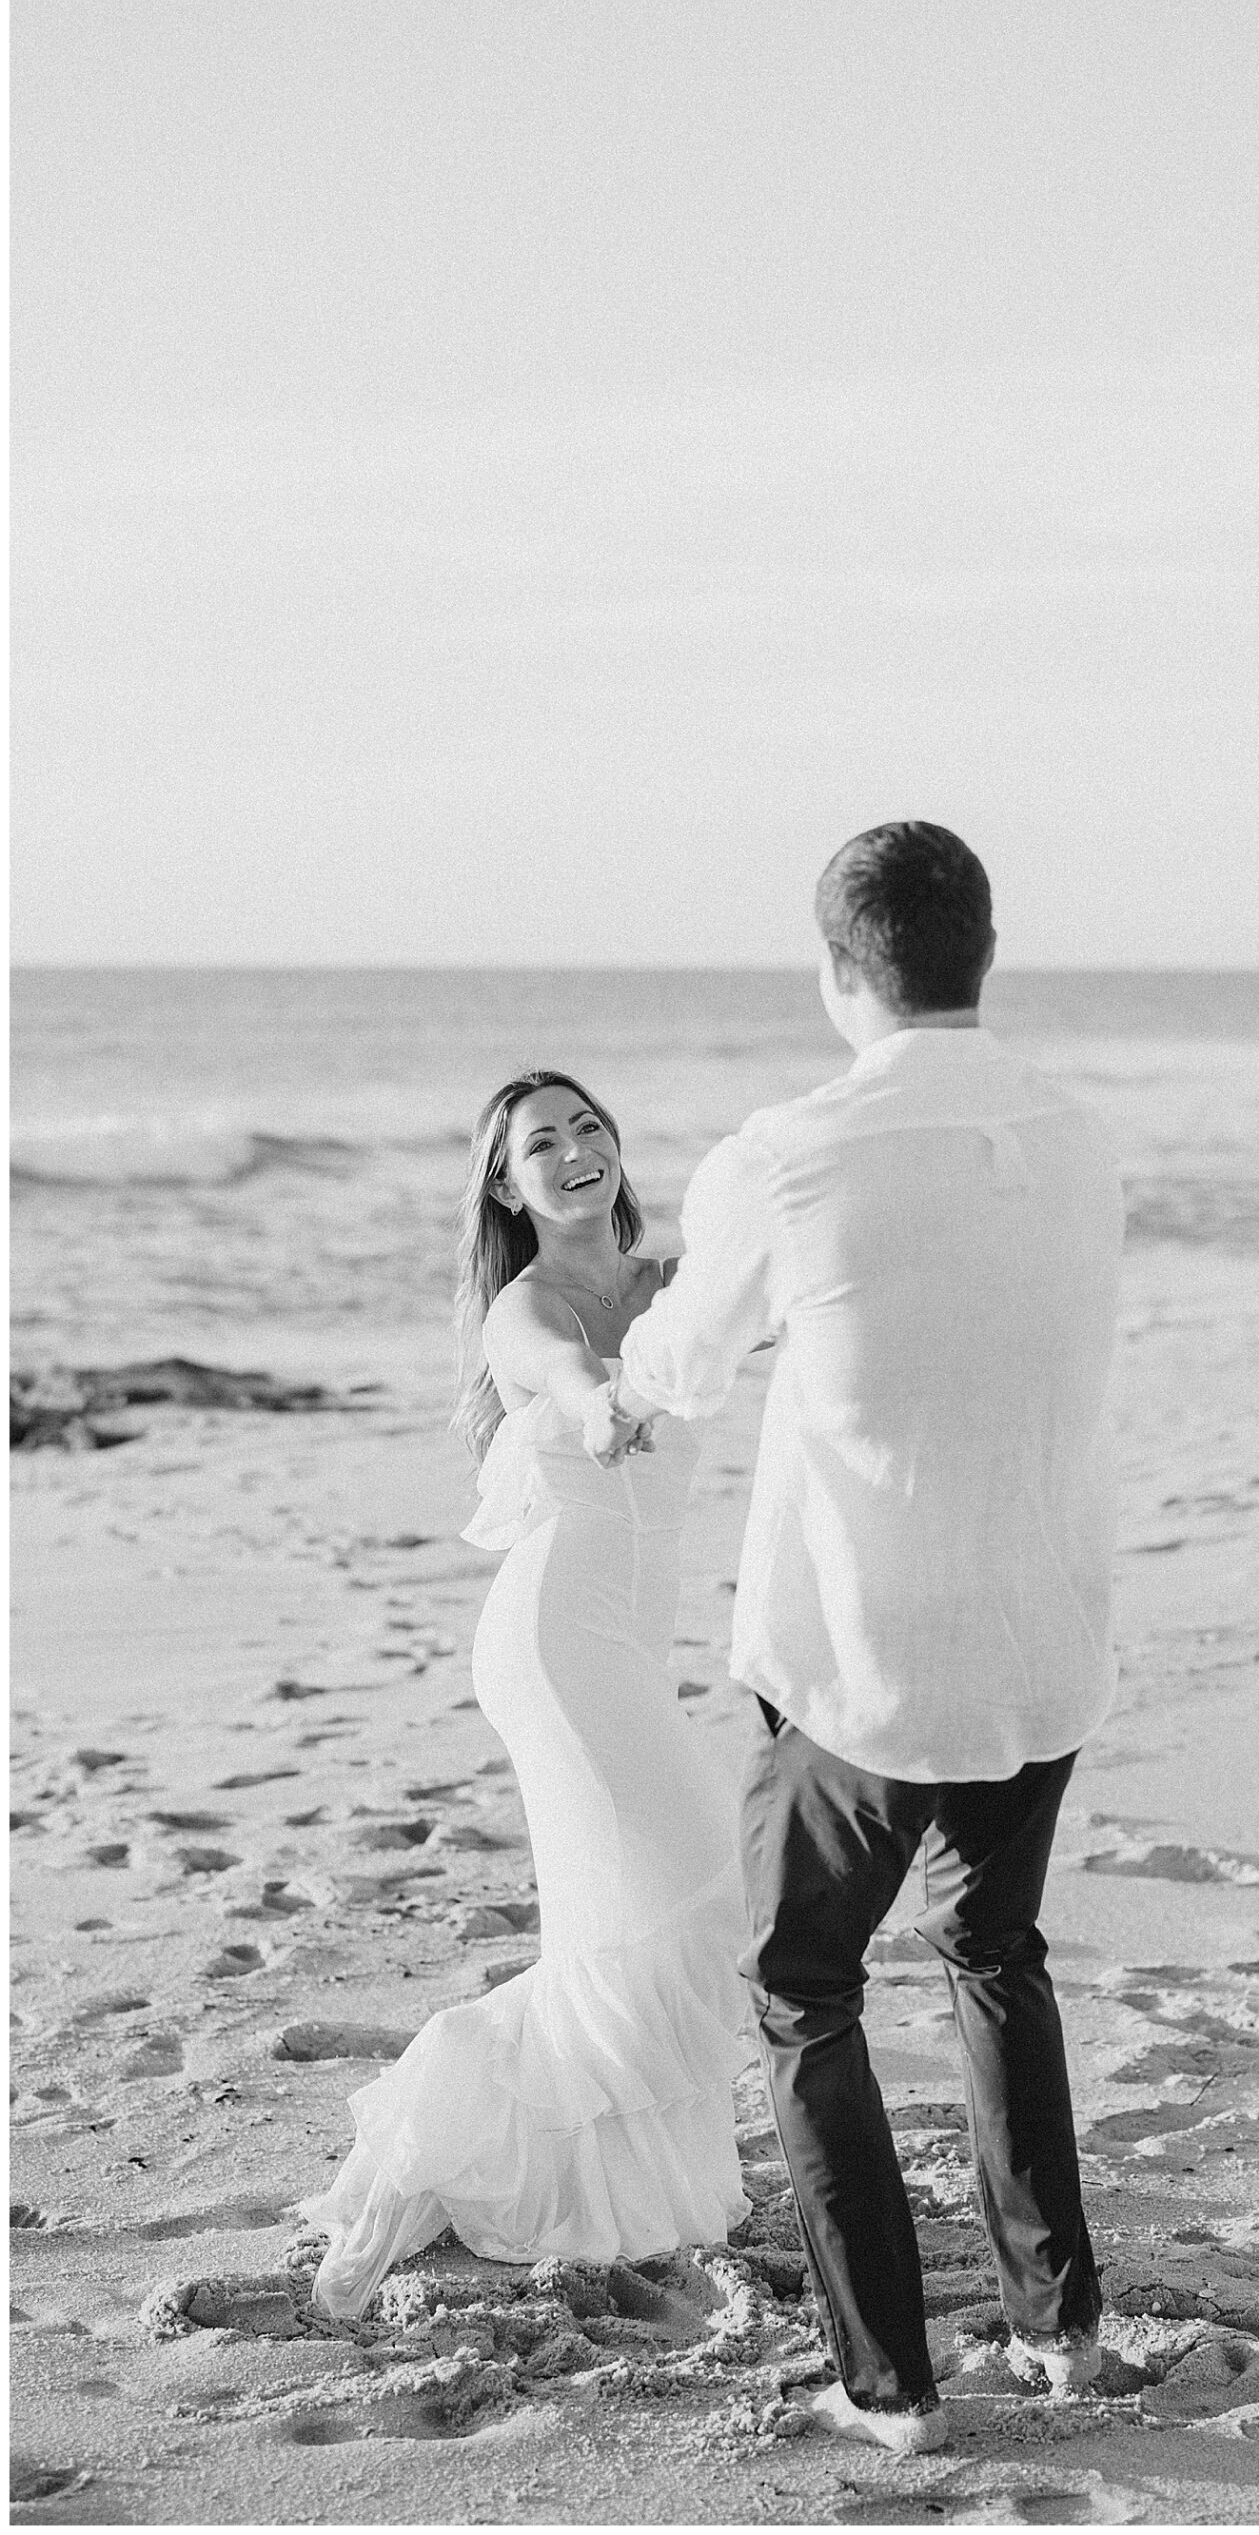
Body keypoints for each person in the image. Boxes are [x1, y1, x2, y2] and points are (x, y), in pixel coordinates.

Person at [585, 822, 1124, 2454]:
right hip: (1040, 1640)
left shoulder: (785, 1154)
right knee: (993, 1959)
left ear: (833, 970)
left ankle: (885, 2379)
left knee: (799, 1988)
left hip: (859, 1665)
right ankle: (1060, 2327)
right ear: (982, 956)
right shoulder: (1077, 1134)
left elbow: (681, 1365)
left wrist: (583, 1367)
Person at [302, 1070, 751, 2319]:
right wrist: (600, 1397)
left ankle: (606, 2177)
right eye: (539, 1143)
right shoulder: (526, 1306)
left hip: (624, 1645)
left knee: (638, 1916)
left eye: (588, 1128)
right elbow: (557, 1369)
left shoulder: (670, 1288)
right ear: (507, 1184)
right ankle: (449, 2150)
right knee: (697, 1889)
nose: (572, 1151)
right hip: (555, 1645)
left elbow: (789, 1305)